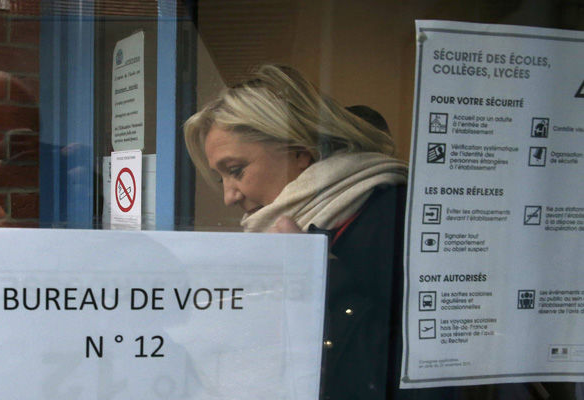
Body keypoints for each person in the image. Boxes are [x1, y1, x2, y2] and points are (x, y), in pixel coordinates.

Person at [184, 65, 566, 399]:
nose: (229, 196)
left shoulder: (395, 219)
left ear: (300, 152)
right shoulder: (288, 234)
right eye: (219, 178)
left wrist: (321, 279)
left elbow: (420, 375)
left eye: (235, 170)